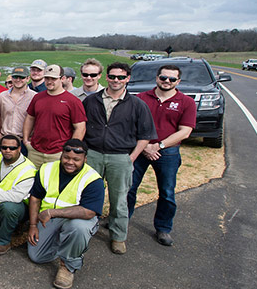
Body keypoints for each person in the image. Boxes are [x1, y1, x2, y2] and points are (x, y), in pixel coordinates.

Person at [83, 62, 156, 255]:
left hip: (120, 157)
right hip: (93, 155)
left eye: (121, 77)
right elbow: (81, 128)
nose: (116, 80)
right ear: (106, 77)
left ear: (127, 79)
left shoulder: (137, 105)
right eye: (113, 76)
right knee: (88, 195)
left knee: (119, 200)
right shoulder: (92, 101)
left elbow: (145, 136)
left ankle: (118, 236)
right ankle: (85, 231)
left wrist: (131, 158)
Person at [127, 64, 196, 247]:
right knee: (129, 187)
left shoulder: (186, 102)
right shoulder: (141, 99)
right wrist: (145, 146)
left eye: (172, 79)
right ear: (157, 78)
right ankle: (121, 221)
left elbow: (185, 131)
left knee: (166, 191)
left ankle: (163, 228)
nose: (167, 81)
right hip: (140, 149)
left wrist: (159, 145)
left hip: (168, 152)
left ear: (178, 81)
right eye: (164, 78)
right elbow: (131, 126)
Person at [27, 139, 104, 289]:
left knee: (78, 228)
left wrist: (52, 212)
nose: (70, 162)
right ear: (61, 155)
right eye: (66, 157)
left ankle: (68, 265)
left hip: (79, 219)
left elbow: (89, 212)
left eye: (76, 159)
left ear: (85, 159)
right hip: (51, 220)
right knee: (37, 256)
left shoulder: (93, 179)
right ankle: (67, 243)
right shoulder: (46, 169)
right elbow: (35, 197)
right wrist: (32, 225)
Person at [22, 65, 87, 169]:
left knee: (54, 183)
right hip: (35, 152)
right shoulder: (38, 97)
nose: (49, 81)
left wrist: (70, 150)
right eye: (47, 78)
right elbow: (30, 118)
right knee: (32, 182)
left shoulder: (72, 101)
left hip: (58, 153)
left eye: (53, 78)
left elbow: (80, 127)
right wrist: (26, 141)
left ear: (62, 79)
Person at [0, 67, 37, 153]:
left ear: (28, 78)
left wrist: (28, 140)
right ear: (11, 78)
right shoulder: (3, 96)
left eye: (22, 77)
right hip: (5, 139)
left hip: (23, 141)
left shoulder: (34, 97)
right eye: (15, 77)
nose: (18, 80)